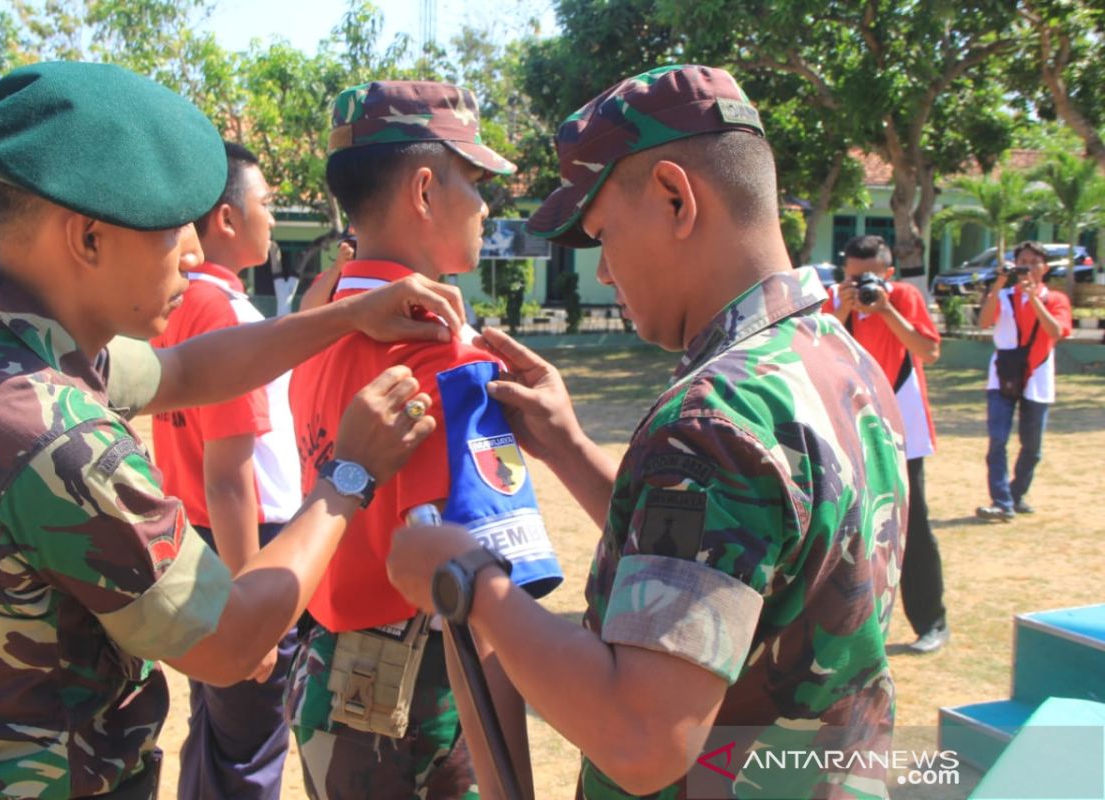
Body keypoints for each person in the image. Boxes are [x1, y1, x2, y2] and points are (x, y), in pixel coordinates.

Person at [0, 60, 469, 800]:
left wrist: (344, 316)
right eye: (173, 232)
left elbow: (184, 373)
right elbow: (233, 641)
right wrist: (349, 476)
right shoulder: (60, 443)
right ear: (89, 239)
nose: (196, 253)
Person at [386, 64, 909, 799]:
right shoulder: (837, 357)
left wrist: (473, 584)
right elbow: (736, 569)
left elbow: (643, 739)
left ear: (674, 197)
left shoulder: (716, 419)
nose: (603, 272)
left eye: (604, 234)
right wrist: (569, 448)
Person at [284, 80, 563, 800]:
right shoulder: (448, 357)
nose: (484, 205)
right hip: (426, 714)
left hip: (329, 694)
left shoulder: (316, 327)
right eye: (474, 181)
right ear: (424, 190)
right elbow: (487, 612)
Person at [148, 141, 301, 800]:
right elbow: (230, 473)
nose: (273, 218)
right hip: (245, 543)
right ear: (226, 219)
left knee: (215, 729)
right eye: (265, 204)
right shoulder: (225, 313)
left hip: (194, 537)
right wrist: (247, 613)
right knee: (250, 747)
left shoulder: (176, 302)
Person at [823, 235, 948, 653]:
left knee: (912, 526)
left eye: (870, 277)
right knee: (852, 528)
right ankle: (856, 628)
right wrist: (842, 308)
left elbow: (928, 350)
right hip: (851, 425)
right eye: (854, 276)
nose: (862, 285)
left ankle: (932, 621)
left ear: (888, 274)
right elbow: (818, 349)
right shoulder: (833, 302)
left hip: (903, 428)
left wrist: (886, 309)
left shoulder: (905, 297)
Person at [974, 241, 1073, 521]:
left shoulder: (1055, 299)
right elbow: (983, 321)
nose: (1027, 267)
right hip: (1002, 374)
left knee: (1032, 446)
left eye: (1034, 261)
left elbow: (1056, 331)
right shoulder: (1004, 296)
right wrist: (999, 283)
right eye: (1022, 261)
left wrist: (1036, 300)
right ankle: (1002, 502)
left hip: (1037, 375)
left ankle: (1016, 495)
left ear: (1045, 267)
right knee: (997, 440)